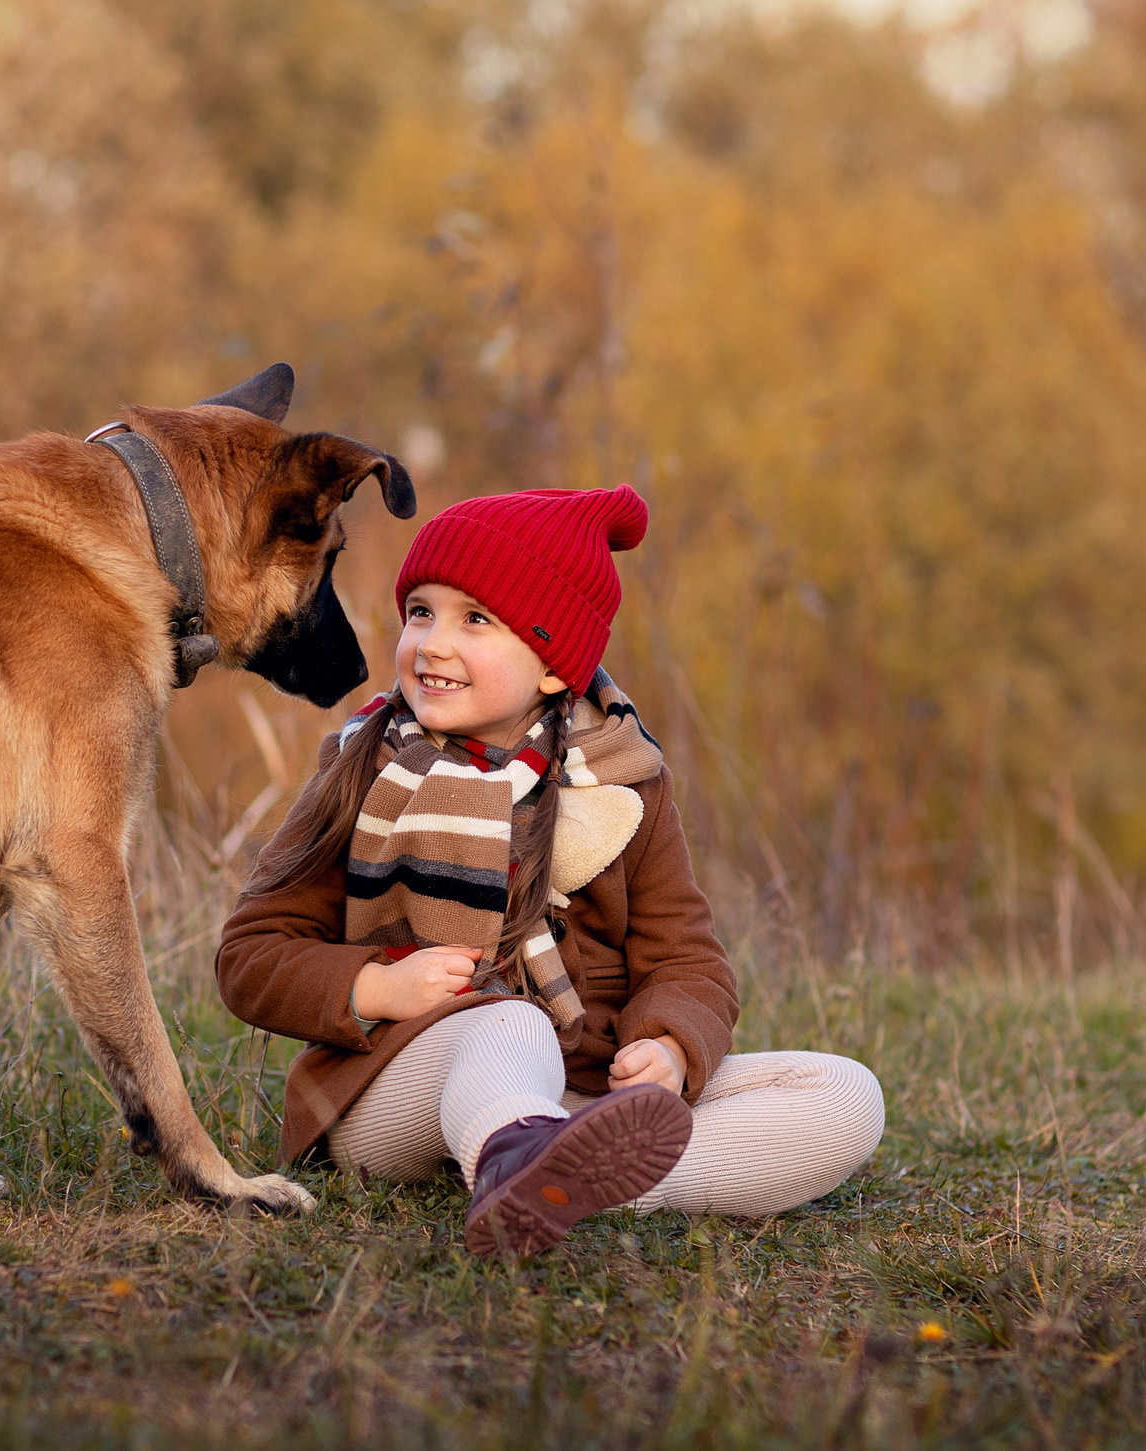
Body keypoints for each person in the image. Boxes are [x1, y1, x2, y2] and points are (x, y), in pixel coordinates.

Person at [216, 485, 885, 1255]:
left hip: (584, 1082)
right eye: (421, 611)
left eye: (475, 619)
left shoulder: (626, 781)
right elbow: (251, 954)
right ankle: (512, 1148)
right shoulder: (364, 766)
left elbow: (686, 958)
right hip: (394, 1088)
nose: (431, 642)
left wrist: (669, 1046)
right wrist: (376, 986)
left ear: (553, 665)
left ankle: (565, 1178)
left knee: (843, 1094)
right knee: (511, 1019)